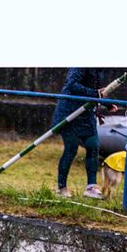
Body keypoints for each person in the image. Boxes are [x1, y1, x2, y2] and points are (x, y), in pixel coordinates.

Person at [52, 69, 116, 200]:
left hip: (86, 114)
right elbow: (72, 84)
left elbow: (97, 91)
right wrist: (95, 93)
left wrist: (107, 103)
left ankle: (91, 187)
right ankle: (61, 187)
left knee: (93, 146)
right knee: (71, 148)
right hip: (69, 113)